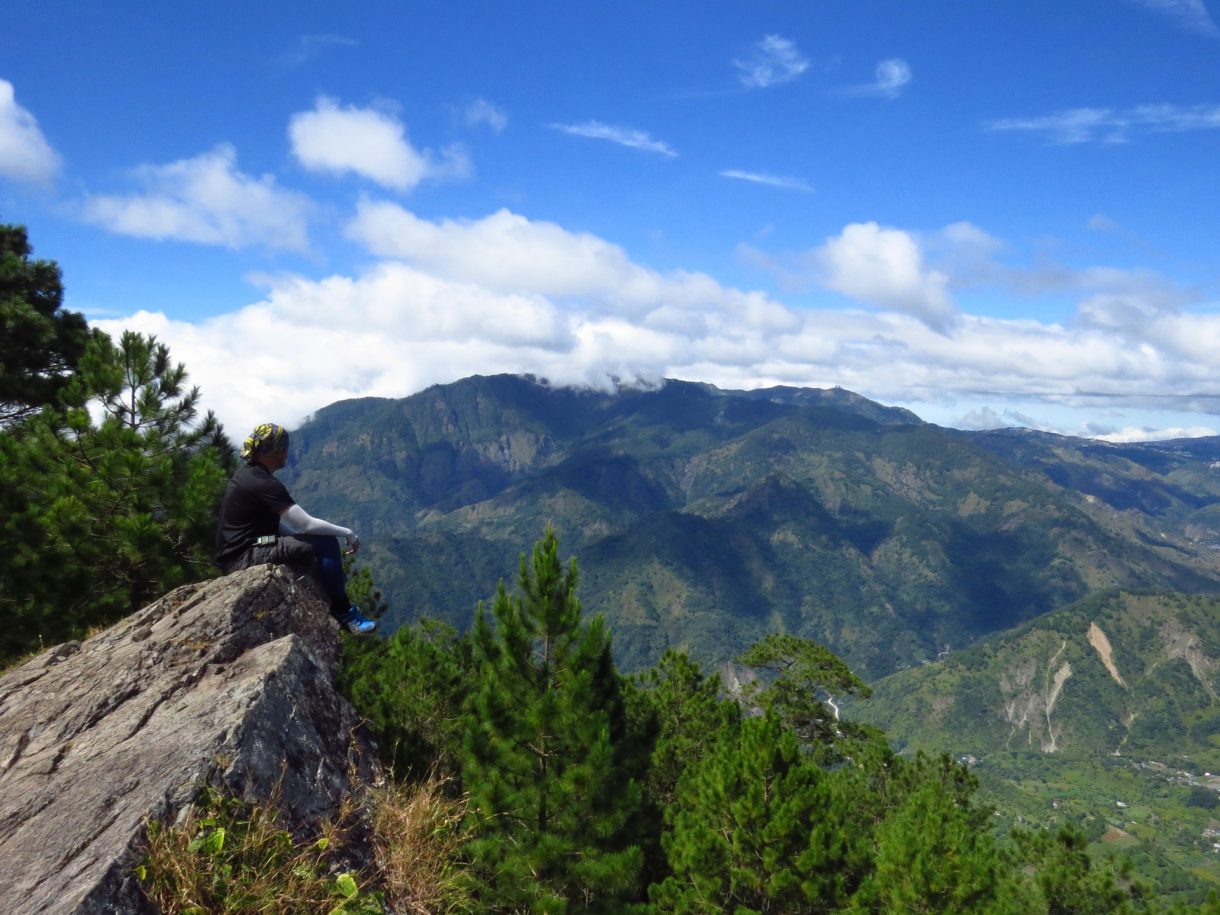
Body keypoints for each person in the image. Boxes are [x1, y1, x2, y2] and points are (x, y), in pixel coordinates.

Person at [215, 422, 376, 633]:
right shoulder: (264, 483)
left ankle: (331, 597)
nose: (286, 454)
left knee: (314, 544)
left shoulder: (247, 476)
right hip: (245, 556)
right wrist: (348, 532)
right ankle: (343, 611)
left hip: (242, 549)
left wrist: (300, 539)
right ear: (275, 451)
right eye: (284, 448)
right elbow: (307, 523)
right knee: (327, 543)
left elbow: (270, 522)